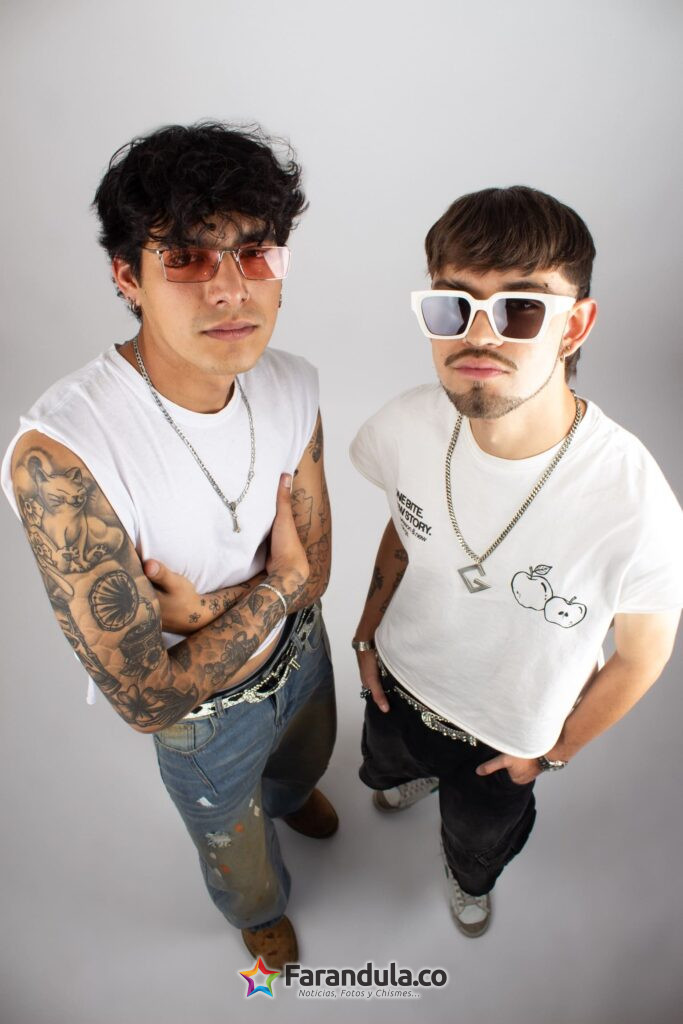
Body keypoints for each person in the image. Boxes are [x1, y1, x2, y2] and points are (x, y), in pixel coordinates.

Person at [1, 122, 337, 970]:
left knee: (305, 761)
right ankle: (259, 912)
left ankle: (291, 794)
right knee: (236, 855)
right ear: (128, 276)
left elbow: (320, 572)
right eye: (187, 258)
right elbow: (148, 701)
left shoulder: (293, 383)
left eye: (255, 253)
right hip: (204, 720)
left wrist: (197, 613)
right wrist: (276, 584)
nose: (231, 290)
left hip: (302, 652)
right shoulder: (63, 455)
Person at [350, 186, 683, 938]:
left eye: (520, 309)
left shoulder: (636, 506)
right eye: (452, 306)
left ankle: (467, 879)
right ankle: (407, 778)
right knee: (386, 767)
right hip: (396, 685)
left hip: (506, 740)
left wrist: (554, 753)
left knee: (476, 842)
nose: (479, 336)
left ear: (574, 326)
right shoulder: (406, 424)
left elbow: (641, 658)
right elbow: (403, 526)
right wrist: (366, 635)